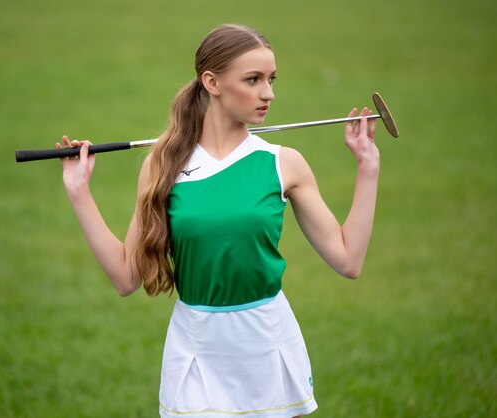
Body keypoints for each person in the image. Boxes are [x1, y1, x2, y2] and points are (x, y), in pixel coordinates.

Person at [56, 24, 379, 418]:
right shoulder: (164, 166)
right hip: (196, 351)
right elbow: (126, 277)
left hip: (268, 345)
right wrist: (79, 191)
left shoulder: (282, 163)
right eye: (253, 79)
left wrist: (368, 168)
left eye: (271, 79)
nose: (269, 93)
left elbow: (348, 260)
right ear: (212, 82)